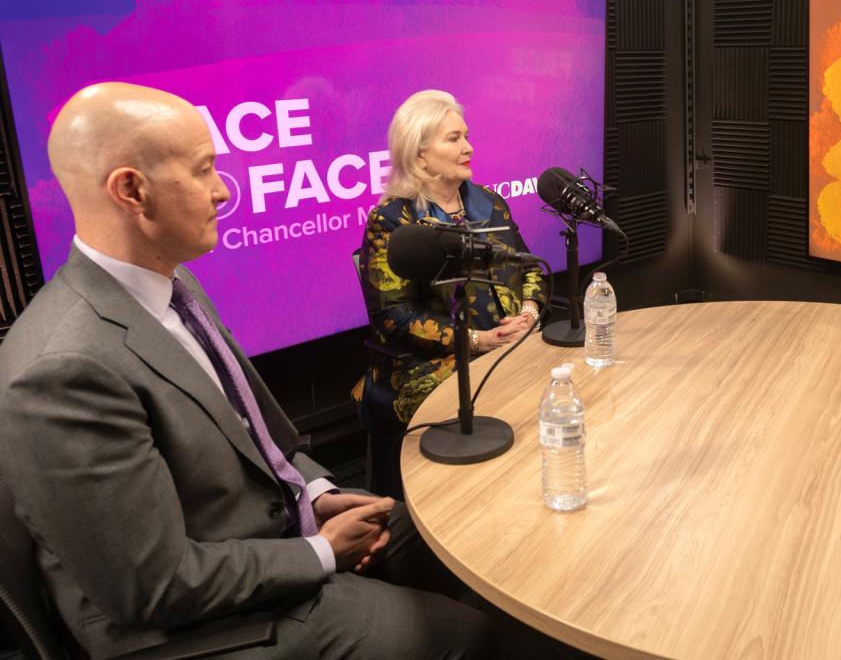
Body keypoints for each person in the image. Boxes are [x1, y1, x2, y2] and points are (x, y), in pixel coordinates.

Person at [0, 83, 491, 659]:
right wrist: (323, 553)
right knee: (473, 637)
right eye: (205, 170)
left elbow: (261, 443)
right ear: (131, 190)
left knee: (473, 556)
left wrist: (319, 493)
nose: (223, 190)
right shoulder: (64, 367)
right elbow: (150, 587)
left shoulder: (176, 284)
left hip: (277, 534)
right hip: (204, 625)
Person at [354, 90, 547, 498]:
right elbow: (393, 318)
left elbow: (530, 267)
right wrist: (478, 340)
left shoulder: (490, 204)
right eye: (453, 139)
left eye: (466, 136)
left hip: (508, 347)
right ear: (419, 155)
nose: (468, 147)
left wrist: (528, 314)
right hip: (429, 364)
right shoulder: (392, 221)